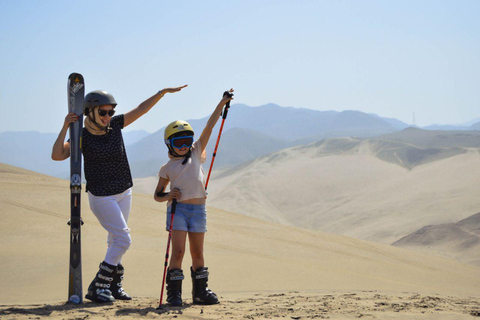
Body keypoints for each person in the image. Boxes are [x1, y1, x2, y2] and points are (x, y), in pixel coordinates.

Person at [52, 85, 187, 303]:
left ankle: (114, 286)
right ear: (91, 112)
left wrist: (161, 93)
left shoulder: (115, 125)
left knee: (115, 239)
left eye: (111, 112)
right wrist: (65, 127)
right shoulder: (81, 136)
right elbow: (57, 155)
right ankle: (99, 285)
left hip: (125, 191)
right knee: (124, 239)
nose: (108, 116)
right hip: (101, 196)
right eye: (103, 112)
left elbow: (141, 109)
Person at [154, 89, 234, 306]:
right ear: (169, 143)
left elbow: (209, 126)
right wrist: (168, 195)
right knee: (178, 252)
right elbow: (157, 195)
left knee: (198, 252)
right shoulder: (166, 167)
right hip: (178, 211)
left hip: (199, 210)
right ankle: (174, 294)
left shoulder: (197, 151)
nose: (183, 146)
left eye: (186, 140)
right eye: (178, 142)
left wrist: (222, 102)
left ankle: (201, 292)